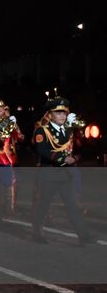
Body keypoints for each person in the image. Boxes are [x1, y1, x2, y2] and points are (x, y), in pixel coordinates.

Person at [30, 97, 96, 245]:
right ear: (50, 114)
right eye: (58, 113)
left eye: (64, 113)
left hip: (65, 175)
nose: (62, 116)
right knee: (43, 204)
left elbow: (75, 148)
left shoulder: (68, 130)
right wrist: (61, 159)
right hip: (49, 174)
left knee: (72, 206)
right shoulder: (43, 130)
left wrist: (75, 157)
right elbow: (42, 151)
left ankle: (83, 235)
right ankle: (36, 232)